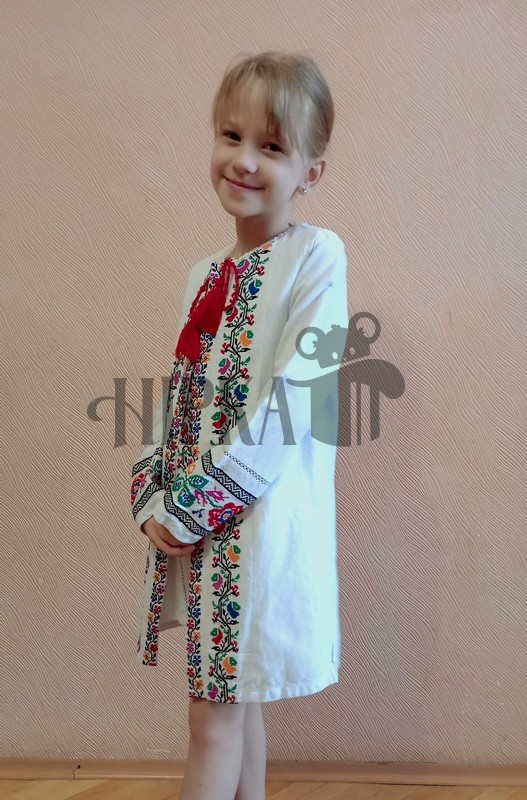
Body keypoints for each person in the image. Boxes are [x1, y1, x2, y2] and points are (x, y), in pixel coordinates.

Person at [130, 50, 348, 800]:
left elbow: (296, 399)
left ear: (310, 171)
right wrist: (152, 493)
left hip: (257, 524)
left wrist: (196, 506)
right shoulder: (204, 274)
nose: (244, 160)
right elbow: (181, 393)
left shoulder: (316, 257)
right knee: (234, 699)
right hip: (197, 522)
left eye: (272, 146)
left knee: (214, 713)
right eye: (231, 136)